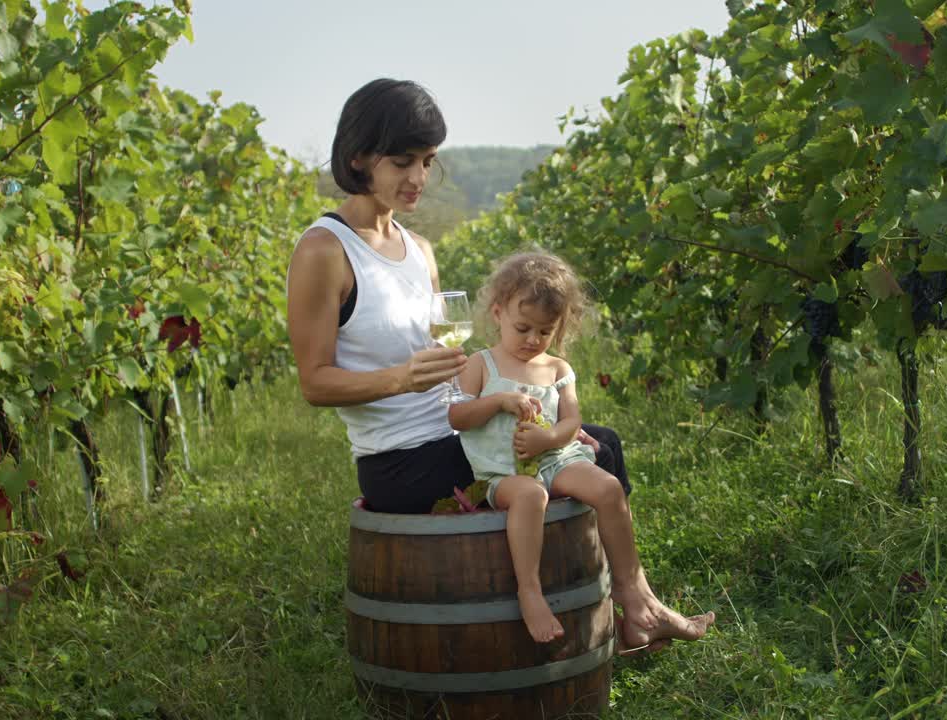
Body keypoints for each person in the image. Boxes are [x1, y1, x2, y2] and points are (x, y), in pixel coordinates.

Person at [284, 78, 675, 651]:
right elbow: (314, 383)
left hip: (456, 432)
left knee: (597, 442)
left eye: (428, 161)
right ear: (358, 158)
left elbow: (452, 371)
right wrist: (399, 378)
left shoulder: (420, 251)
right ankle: (629, 611)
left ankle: (628, 606)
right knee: (593, 450)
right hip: (402, 461)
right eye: (403, 162)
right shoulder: (324, 250)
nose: (419, 178)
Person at [447, 251, 713, 648]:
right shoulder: (480, 364)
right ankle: (530, 591)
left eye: (545, 331)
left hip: (555, 458)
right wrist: (498, 402)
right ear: (498, 312)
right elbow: (458, 416)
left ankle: (632, 595)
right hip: (504, 472)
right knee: (531, 494)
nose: (533, 340)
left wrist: (548, 438)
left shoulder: (557, 369)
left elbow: (571, 422)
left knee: (607, 488)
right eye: (523, 328)